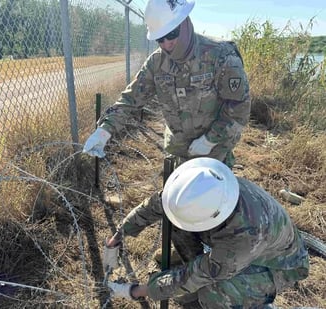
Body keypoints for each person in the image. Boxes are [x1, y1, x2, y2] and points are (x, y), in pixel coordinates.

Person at [103, 158, 309, 308]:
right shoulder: (207, 185)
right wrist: (118, 236)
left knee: (213, 294)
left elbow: (198, 274)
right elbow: (156, 205)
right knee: (175, 220)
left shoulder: (242, 236)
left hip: (277, 266)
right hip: (247, 246)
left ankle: (255, 301)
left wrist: (139, 291)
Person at [83, 0, 251, 168]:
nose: (166, 44)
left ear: (185, 23)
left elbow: (239, 106)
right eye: (159, 39)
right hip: (179, 148)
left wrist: (210, 139)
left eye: (171, 34)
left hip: (214, 152)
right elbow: (130, 100)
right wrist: (104, 131)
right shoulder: (157, 63)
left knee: (208, 192)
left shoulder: (220, 56)